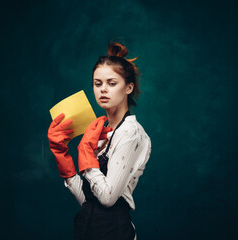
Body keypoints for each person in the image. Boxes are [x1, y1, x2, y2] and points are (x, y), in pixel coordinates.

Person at [47, 42, 151, 240]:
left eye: (112, 83)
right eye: (98, 83)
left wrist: (85, 151)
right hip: (91, 230)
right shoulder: (100, 133)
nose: (103, 89)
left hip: (117, 233)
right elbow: (89, 201)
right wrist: (62, 155)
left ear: (128, 88)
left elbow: (108, 198)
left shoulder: (131, 133)